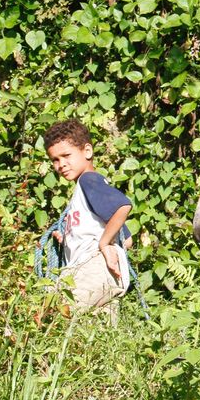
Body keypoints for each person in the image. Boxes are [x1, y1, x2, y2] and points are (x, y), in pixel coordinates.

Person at [43, 119, 133, 316]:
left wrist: (103, 244)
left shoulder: (88, 181)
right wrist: (67, 238)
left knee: (55, 313)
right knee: (96, 339)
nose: (61, 164)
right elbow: (127, 239)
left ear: (87, 151)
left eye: (66, 155)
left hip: (94, 269)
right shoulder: (83, 193)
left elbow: (123, 206)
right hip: (109, 274)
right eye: (55, 160)